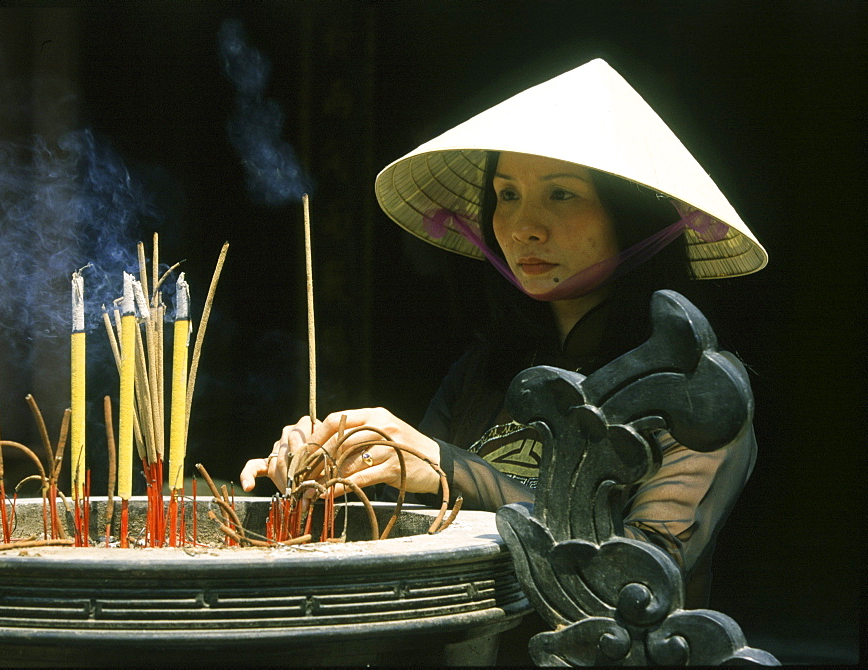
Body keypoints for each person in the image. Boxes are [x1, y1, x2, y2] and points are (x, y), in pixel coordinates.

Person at [240, 59, 767, 608]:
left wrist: (450, 468)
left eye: (562, 194)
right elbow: (421, 524)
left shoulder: (697, 396)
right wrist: (336, 471)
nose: (522, 227)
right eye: (506, 194)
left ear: (633, 215)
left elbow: (633, 577)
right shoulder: (482, 370)